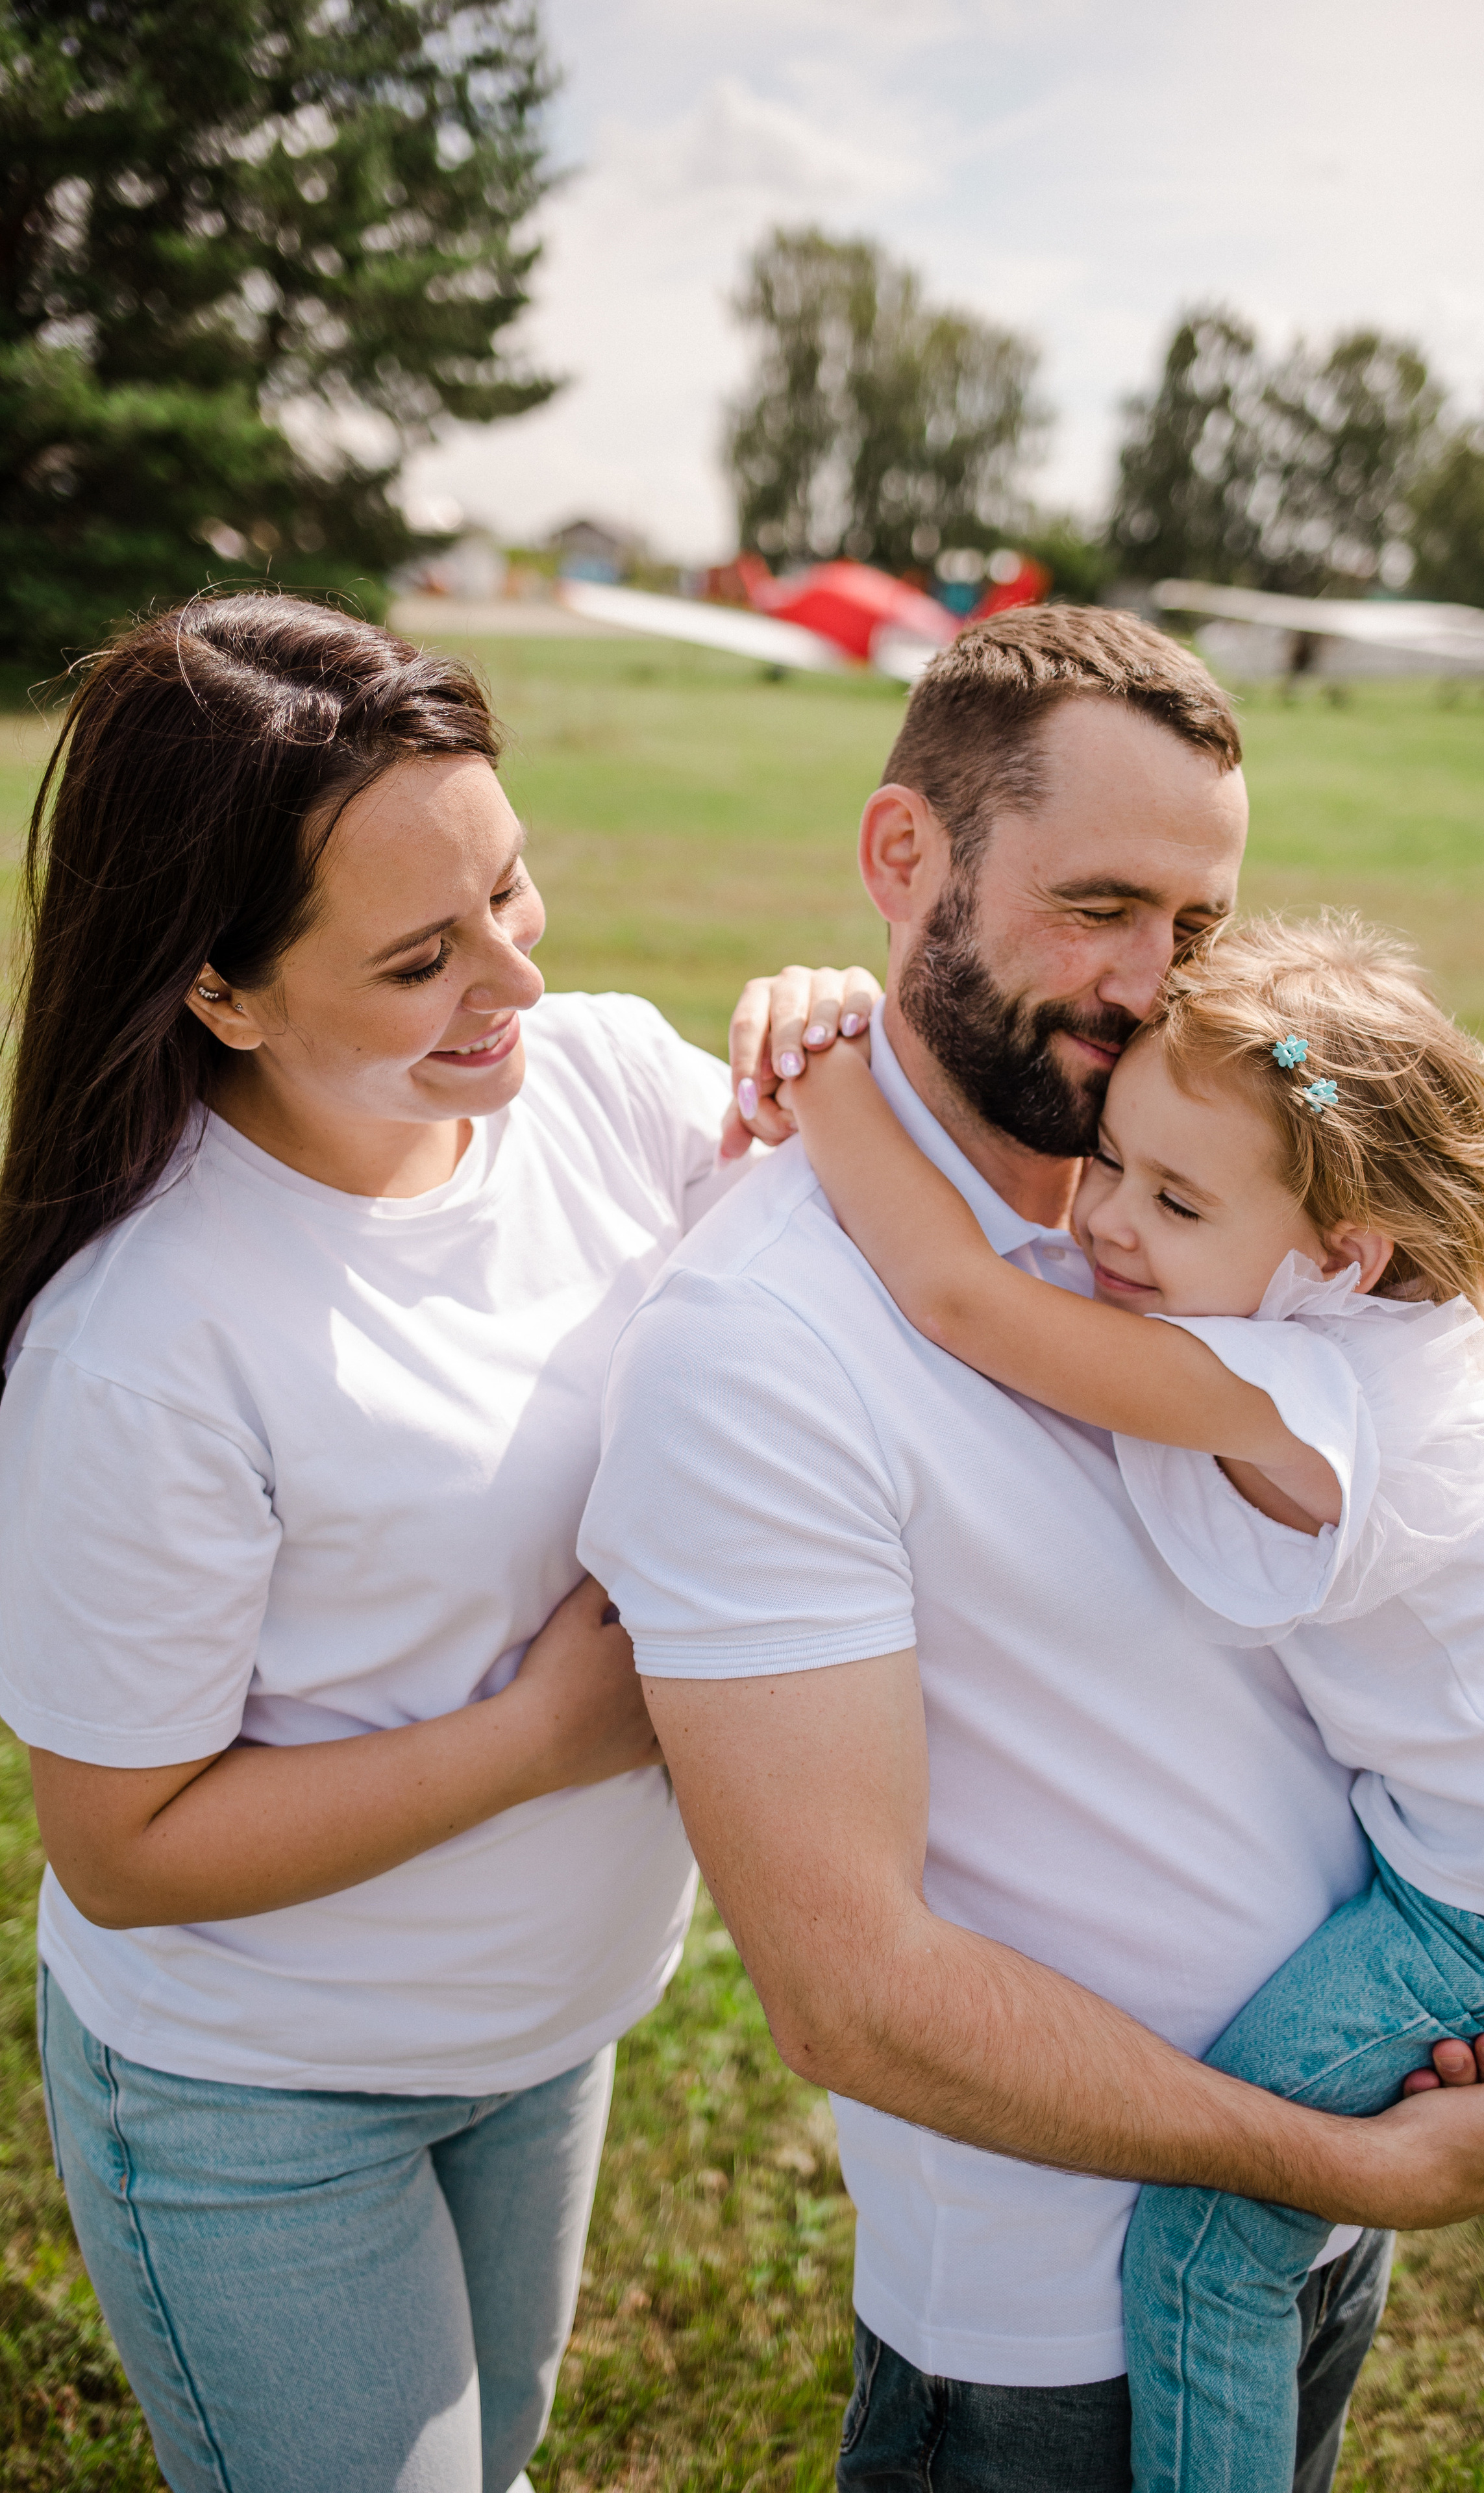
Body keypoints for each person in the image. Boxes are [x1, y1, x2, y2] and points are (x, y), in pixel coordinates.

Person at [580, 604, 1484, 2493]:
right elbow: (849, 1989)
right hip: (1062, 2328)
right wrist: (1344, 2157)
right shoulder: (762, 1343)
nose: (1152, 985)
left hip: (1324, 2194)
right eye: (1100, 904)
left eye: (1197, 928)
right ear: (907, 861)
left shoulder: (1189, 1227)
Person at [0, 591, 876, 2493]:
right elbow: (120, 1847)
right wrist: (550, 1733)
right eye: (418, 961)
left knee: (500, 2464)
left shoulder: (612, 1089)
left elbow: (901, 1267)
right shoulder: (144, 1346)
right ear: (220, 993)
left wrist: (854, 1045)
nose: (515, 984)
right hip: (261, 2101)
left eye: (513, 887)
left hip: (547, 2038)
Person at [778, 906, 1484, 2491]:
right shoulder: (1338, 1323)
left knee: (1205, 2246)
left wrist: (827, 1072)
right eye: (1108, 1160)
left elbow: (965, 1303)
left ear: (1343, 1254)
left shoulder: (1309, 1391)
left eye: (1174, 1200)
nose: (1105, 1221)